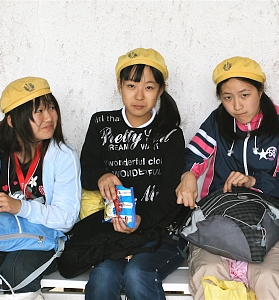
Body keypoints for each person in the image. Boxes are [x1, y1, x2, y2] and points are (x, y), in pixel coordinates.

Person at [176, 56, 279, 300]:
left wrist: (255, 181)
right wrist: (188, 175)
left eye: (245, 95)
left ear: (261, 90)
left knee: (269, 278)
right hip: (215, 222)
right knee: (208, 273)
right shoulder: (217, 122)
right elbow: (194, 155)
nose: (236, 105)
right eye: (227, 97)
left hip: (270, 226)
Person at [80, 47, 189, 300]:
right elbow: (85, 171)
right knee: (103, 277)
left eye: (149, 88)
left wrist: (141, 220)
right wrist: (101, 176)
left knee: (137, 275)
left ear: (161, 90)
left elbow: (170, 197)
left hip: (161, 235)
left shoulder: (171, 135)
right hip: (113, 234)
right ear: (119, 85)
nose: (139, 96)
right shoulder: (101, 124)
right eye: (131, 86)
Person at [0, 77, 81, 292]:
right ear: (12, 121)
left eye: (51, 108)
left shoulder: (63, 155)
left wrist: (20, 207)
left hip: (40, 239)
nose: (49, 118)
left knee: (18, 270)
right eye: (38, 112)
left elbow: (66, 218)